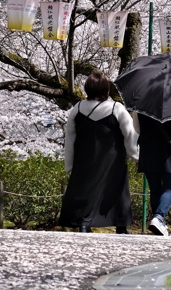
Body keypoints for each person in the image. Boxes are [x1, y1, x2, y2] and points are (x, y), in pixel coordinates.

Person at [58, 71, 138, 233]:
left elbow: (70, 139)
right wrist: (137, 156)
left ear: (88, 89)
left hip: (85, 160)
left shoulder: (77, 108)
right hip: (112, 162)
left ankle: (84, 223)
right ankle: (120, 225)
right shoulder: (117, 108)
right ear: (106, 90)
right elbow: (130, 135)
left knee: (85, 190)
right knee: (116, 190)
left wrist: (70, 164)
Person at [134, 111, 171, 236]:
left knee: (154, 188)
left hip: (147, 148)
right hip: (165, 149)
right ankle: (159, 217)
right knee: (168, 186)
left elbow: (137, 129)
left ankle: (158, 222)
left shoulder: (139, 107)